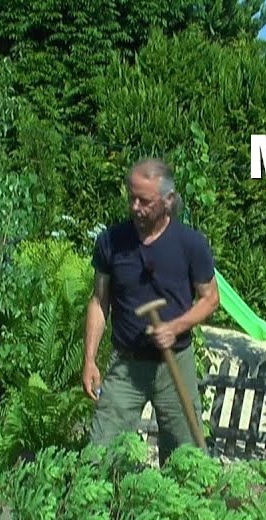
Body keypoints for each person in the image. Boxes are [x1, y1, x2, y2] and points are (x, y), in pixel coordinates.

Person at [83, 158, 220, 466]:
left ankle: (185, 512)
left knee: (186, 459)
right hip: (125, 365)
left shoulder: (190, 244)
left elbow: (211, 299)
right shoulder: (112, 242)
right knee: (99, 455)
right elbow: (98, 302)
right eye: (131, 197)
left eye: (144, 200)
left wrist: (175, 326)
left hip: (175, 367)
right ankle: (102, 510)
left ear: (167, 200)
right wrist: (90, 359)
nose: (135, 206)